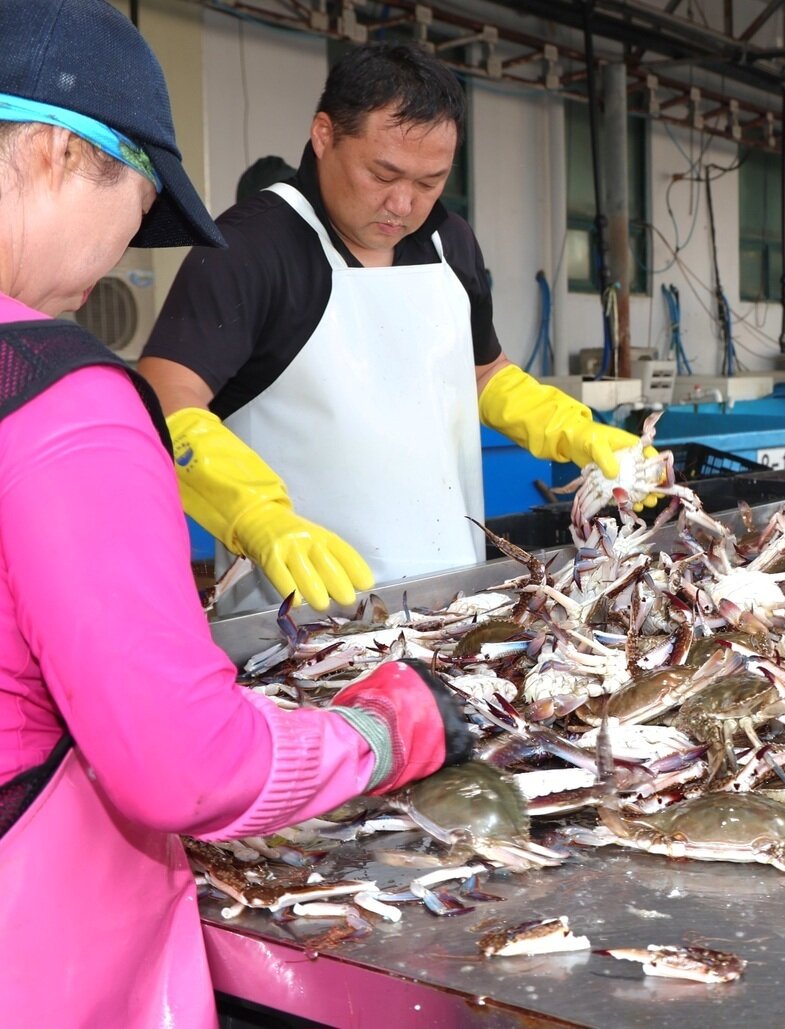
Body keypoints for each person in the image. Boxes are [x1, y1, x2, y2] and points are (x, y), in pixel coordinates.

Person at [0, 3, 476, 1024]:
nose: (132, 239)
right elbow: (181, 766)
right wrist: (389, 730)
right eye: (138, 200)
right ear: (48, 152)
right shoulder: (53, 396)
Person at [139, 42, 653, 614]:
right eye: (383, 174)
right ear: (324, 134)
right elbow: (162, 399)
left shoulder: (448, 242)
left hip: (453, 595)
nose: (403, 204)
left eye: (430, 182)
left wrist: (576, 431)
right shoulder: (249, 247)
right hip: (299, 616)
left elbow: (485, 374)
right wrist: (255, 515)